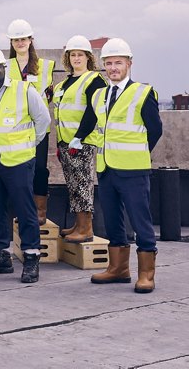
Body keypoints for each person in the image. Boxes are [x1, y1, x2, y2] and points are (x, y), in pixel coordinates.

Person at [0, 46, 50, 284]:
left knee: (25, 210)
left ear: (4, 68)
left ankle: (31, 257)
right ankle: (1, 256)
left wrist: (27, 147)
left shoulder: (24, 91)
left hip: (19, 163)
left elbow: (43, 121)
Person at [90, 38, 162, 294]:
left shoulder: (143, 93)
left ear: (129, 64)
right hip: (107, 168)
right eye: (108, 63)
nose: (113, 68)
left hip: (133, 170)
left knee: (140, 220)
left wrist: (136, 154)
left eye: (118, 62)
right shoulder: (99, 95)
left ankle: (146, 274)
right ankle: (118, 269)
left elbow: (155, 130)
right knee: (112, 220)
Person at [52, 35, 106, 243]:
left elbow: (93, 112)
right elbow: (60, 113)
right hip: (66, 143)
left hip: (81, 142)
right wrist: (60, 143)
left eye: (80, 55)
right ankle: (78, 224)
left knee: (83, 184)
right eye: (73, 55)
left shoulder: (94, 80)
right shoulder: (65, 83)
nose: (76, 58)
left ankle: (86, 228)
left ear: (88, 57)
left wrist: (79, 138)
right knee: (73, 184)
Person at [6, 19, 55, 224]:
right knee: (20, 170)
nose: (20, 43)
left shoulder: (45, 66)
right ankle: (24, 209)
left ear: (30, 40)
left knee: (40, 168)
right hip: (16, 128)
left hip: (39, 127)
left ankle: (40, 211)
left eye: (23, 39)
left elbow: (50, 95)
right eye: (16, 40)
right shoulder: (6, 67)